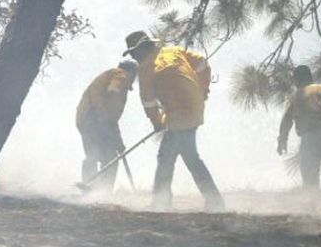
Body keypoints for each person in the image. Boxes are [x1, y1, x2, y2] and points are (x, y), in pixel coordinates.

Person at [122, 31, 225, 211]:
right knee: (189, 157)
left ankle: (162, 203)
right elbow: (202, 63)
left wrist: (157, 123)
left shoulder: (146, 70)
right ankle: (213, 201)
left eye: (133, 52)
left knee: (167, 158)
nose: (133, 56)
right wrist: (203, 88)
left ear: (142, 50)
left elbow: (149, 103)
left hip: (179, 115)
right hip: (195, 107)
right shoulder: (173, 51)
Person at [76, 60, 138, 193]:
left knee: (103, 155)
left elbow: (112, 120)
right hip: (92, 118)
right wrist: (102, 113)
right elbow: (112, 90)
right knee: (100, 155)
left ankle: (97, 189)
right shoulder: (120, 75)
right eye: (135, 74)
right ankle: (98, 188)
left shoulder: (119, 83)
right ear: (131, 72)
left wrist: (119, 142)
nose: (135, 78)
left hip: (88, 119)